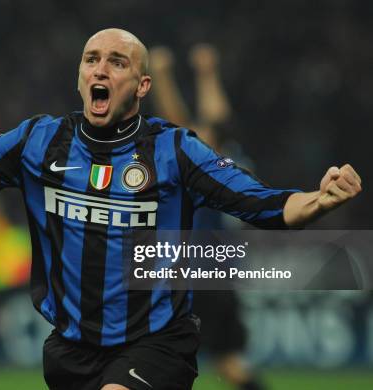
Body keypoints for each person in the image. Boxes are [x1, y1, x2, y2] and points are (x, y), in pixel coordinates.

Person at [0, 29, 361, 390]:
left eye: (116, 62)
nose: (100, 69)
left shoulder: (174, 149)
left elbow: (259, 204)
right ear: (79, 77)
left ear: (141, 85)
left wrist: (318, 199)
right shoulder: (38, 143)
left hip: (156, 343)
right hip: (69, 350)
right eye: (91, 59)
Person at [149, 44, 266, 390]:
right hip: (213, 276)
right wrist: (202, 72)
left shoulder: (214, 165)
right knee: (227, 364)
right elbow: (200, 125)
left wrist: (170, 75)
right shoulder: (225, 164)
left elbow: (199, 124)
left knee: (156, 356)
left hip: (199, 276)